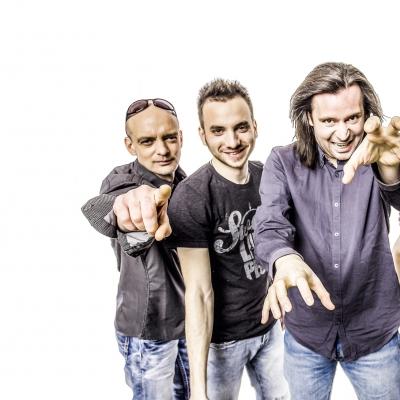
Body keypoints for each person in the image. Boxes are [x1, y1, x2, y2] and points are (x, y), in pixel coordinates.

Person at [254, 62, 400, 400]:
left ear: (367, 114)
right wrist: (284, 259)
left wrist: (392, 170)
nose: (343, 133)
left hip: (374, 333)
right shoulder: (282, 162)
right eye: (329, 121)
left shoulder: (381, 155)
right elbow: (270, 223)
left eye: (352, 118)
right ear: (308, 118)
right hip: (307, 335)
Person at [165, 79, 288, 400]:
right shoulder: (191, 197)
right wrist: (198, 390)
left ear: (255, 127)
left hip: (272, 330)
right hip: (222, 344)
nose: (232, 141)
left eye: (241, 127)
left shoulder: (267, 177)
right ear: (202, 135)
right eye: (218, 131)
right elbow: (198, 294)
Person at [81, 98, 190, 400]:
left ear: (181, 137)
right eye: (147, 141)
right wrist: (132, 208)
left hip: (188, 324)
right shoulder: (123, 181)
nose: (162, 150)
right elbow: (110, 206)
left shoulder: (186, 181)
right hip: (149, 332)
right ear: (130, 145)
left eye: (169, 137)